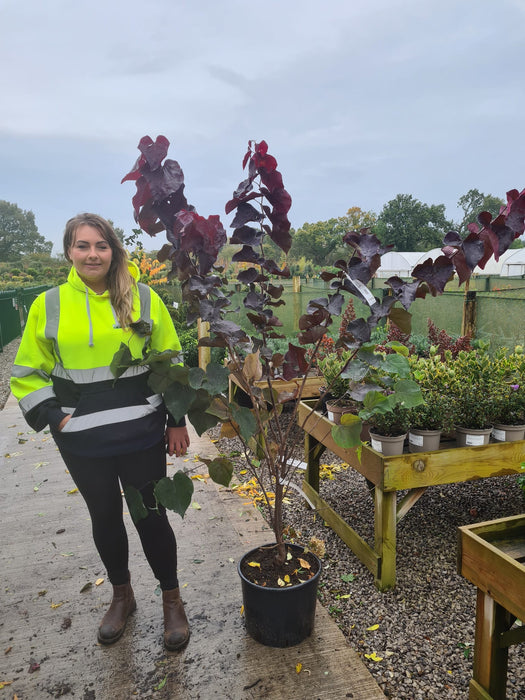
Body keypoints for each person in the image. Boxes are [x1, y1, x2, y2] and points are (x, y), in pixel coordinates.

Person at [10, 213, 191, 651]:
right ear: (69, 251)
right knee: (105, 517)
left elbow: (170, 359)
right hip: (82, 439)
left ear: (113, 250)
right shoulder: (48, 305)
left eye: (101, 246)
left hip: (140, 433)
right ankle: (122, 596)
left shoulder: (143, 298)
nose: (92, 254)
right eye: (82, 245)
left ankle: (172, 600)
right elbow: (26, 372)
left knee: (150, 516)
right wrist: (55, 416)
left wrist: (176, 419)